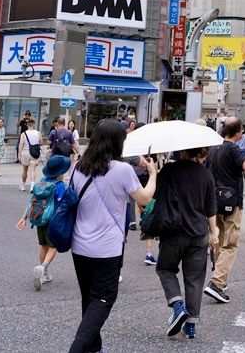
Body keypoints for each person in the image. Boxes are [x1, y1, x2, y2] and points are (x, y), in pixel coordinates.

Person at [66, 119, 155, 353]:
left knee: (89, 298)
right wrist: (154, 174)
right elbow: (144, 199)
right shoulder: (123, 169)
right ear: (117, 143)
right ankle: (77, 349)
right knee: (104, 298)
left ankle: (94, 347)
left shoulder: (78, 166)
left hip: (79, 244)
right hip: (107, 248)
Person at [203, 117, 245, 303]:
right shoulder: (232, 148)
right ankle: (217, 283)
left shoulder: (214, 149)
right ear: (238, 133)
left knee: (218, 241)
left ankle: (219, 279)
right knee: (231, 243)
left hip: (213, 202)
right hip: (231, 202)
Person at [153, 146, 219, 340]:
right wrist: (213, 233)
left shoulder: (169, 170)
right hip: (199, 232)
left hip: (173, 230)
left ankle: (177, 305)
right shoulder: (206, 175)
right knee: (195, 278)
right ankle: (190, 326)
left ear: (182, 151)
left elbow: (156, 195)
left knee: (165, 268)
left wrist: (154, 170)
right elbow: (210, 208)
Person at [16, 154, 69, 291]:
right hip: (53, 220)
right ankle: (43, 267)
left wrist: (24, 218)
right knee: (54, 246)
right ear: (61, 173)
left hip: (40, 219)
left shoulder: (42, 182)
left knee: (44, 245)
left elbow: (31, 202)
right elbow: (63, 204)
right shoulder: (60, 186)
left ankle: (43, 273)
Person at [19, 119, 43, 192]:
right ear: (34, 125)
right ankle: (32, 186)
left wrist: (19, 154)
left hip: (25, 152)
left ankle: (23, 185)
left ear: (27, 125)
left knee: (24, 169)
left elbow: (21, 144)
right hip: (34, 153)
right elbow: (41, 143)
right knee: (33, 170)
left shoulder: (23, 134)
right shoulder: (38, 133)